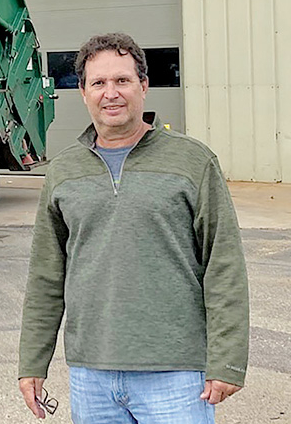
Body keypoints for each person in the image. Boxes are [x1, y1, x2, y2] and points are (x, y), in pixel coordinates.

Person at [17, 33, 249, 422]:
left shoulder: (193, 162)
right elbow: (46, 276)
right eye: (98, 83)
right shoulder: (63, 171)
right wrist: (32, 362)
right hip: (91, 374)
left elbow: (223, 265)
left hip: (175, 372)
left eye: (122, 80)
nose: (111, 93)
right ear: (83, 93)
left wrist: (227, 360)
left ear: (144, 85)